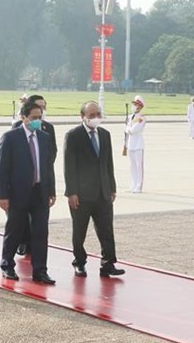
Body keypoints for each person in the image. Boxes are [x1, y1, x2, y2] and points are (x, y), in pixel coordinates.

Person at [0, 101, 56, 285]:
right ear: (23, 117)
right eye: (34, 118)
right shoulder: (10, 137)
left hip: (40, 192)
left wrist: (51, 191)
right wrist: (3, 196)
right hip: (18, 193)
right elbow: (2, 169)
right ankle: (7, 265)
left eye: (40, 117)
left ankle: (40, 270)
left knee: (41, 232)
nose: (38, 121)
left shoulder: (45, 137)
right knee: (14, 230)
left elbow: (48, 167)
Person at [65, 101, 124, 278]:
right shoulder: (73, 135)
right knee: (79, 230)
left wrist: (111, 187)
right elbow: (69, 166)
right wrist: (72, 192)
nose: (96, 118)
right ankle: (79, 262)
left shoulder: (105, 134)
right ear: (82, 116)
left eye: (98, 114)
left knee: (106, 229)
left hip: (103, 192)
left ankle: (108, 263)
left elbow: (108, 163)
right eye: (91, 115)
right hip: (82, 194)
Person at [12, 94, 57, 256]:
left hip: (41, 179)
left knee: (40, 223)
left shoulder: (47, 128)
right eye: (39, 107)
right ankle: (23, 242)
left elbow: (52, 151)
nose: (42, 111)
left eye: (43, 107)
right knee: (22, 219)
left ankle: (39, 259)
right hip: (24, 182)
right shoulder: (17, 127)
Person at [125, 95, 146, 193]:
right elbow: (126, 129)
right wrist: (128, 129)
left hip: (138, 144)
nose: (134, 106)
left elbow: (135, 129)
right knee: (132, 165)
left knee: (139, 166)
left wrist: (128, 129)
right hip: (131, 144)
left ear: (140, 106)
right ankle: (133, 185)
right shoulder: (130, 117)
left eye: (136, 104)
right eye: (133, 104)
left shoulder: (141, 118)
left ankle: (138, 186)